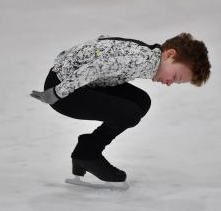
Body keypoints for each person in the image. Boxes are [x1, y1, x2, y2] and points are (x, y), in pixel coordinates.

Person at [31, 33, 211, 184]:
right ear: (170, 55)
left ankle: (85, 152)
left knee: (141, 101)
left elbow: (104, 42)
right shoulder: (142, 60)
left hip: (78, 81)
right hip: (64, 89)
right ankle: (87, 155)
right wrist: (56, 93)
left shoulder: (149, 54)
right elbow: (95, 67)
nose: (170, 83)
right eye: (175, 76)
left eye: (176, 82)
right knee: (129, 113)